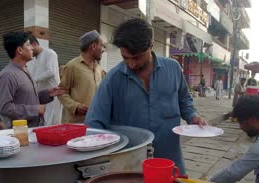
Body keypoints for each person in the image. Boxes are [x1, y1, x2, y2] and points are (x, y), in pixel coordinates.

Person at [85, 18, 207, 174]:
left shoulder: (173, 69)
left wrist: (193, 117)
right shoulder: (113, 79)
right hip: (131, 166)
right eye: (125, 58)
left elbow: (185, 102)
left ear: (151, 44)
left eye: (136, 57)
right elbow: (93, 125)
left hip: (170, 160)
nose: (131, 64)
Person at [0, 32, 65, 128]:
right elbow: (5, 108)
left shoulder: (26, 71)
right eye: (28, 45)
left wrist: (48, 94)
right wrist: (35, 110)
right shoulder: (7, 75)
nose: (32, 48)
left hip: (34, 129)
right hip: (20, 133)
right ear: (20, 50)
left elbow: (27, 98)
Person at [58, 30, 105, 123]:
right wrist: (75, 106)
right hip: (75, 124)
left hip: (94, 122)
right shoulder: (72, 66)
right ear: (93, 46)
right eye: (102, 45)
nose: (103, 49)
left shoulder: (99, 68)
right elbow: (61, 92)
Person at [26, 33, 63, 125]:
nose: (29, 50)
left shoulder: (49, 53)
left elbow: (51, 72)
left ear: (34, 44)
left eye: (29, 46)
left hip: (52, 95)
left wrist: (33, 80)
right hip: (42, 98)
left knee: (52, 123)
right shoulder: (35, 59)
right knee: (44, 123)